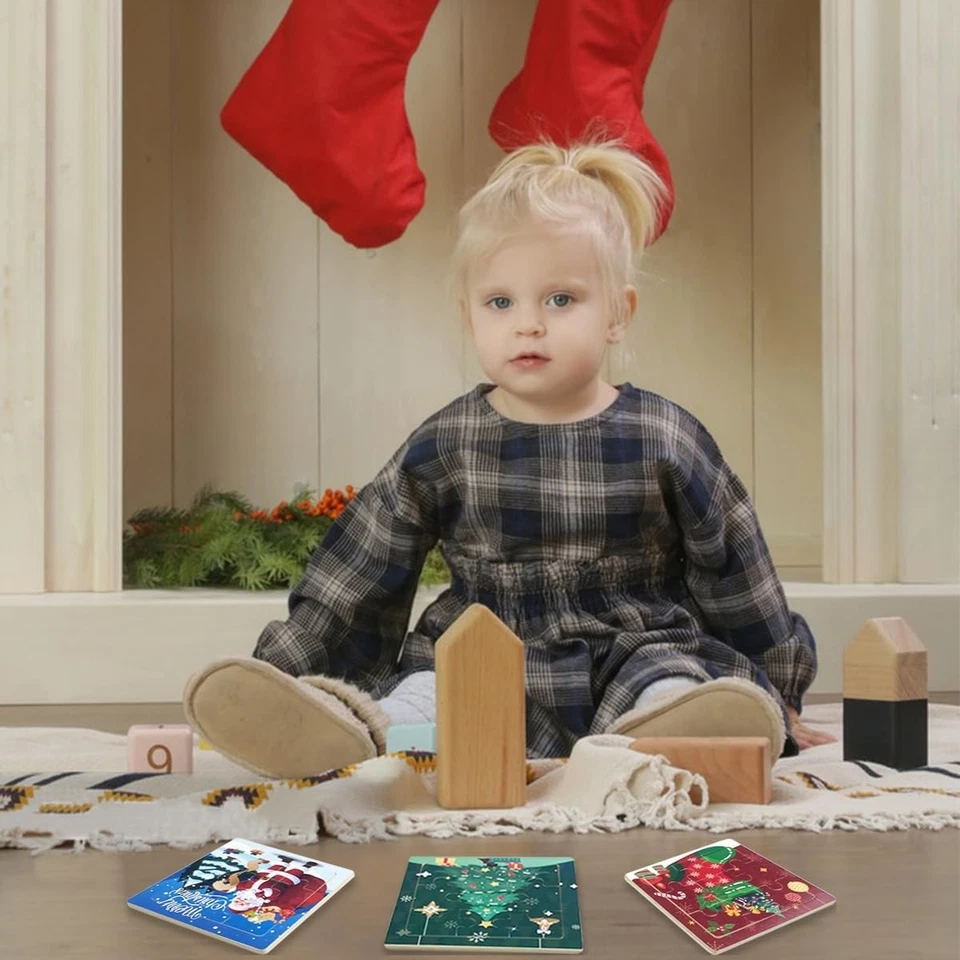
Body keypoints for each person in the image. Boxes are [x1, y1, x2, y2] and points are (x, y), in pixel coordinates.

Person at [183, 139, 834, 779]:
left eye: (560, 300)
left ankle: (688, 731)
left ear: (617, 313)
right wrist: (290, 669)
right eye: (502, 302)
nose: (529, 324)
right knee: (426, 693)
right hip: (479, 651)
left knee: (669, 684)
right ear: (470, 319)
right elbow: (363, 565)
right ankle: (345, 731)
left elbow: (736, 568)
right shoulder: (450, 442)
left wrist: (779, 687)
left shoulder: (664, 435)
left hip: (632, 648)